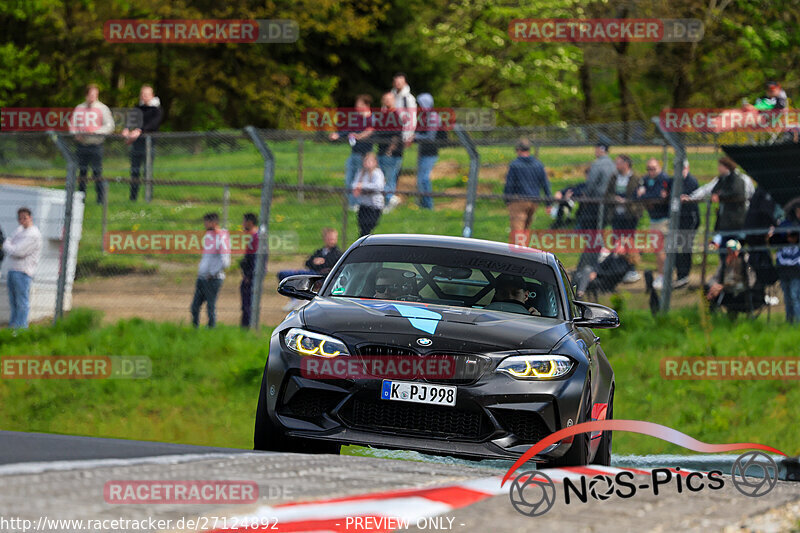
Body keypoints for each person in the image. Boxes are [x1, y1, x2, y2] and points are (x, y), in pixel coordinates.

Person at [570, 143, 616, 288]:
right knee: (597, 234)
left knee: (591, 236)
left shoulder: (598, 164)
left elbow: (590, 184)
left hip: (595, 204)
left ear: (601, 149)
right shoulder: (613, 165)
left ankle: (586, 266)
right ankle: (591, 261)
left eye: (596, 148)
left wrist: (585, 197)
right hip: (607, 204)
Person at [277, 228, 343, 311]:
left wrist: (320, 263)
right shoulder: (319, 251)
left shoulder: (337, 253)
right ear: (324, 239)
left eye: (333, 239)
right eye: (329, 239)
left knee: (302, 277)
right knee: (283, 274)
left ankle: (301, 299)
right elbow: (307, 263)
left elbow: (330, 266)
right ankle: (295, 299)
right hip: (310, 272)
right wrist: (315, 262)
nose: (332, 241)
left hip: (321, 276)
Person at [70, 83, 115, 204]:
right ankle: (81, 199)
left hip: (96, 145)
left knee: (97, 173)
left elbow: (110, 126)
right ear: (86, 95)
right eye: (91, 95)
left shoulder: (102, 108)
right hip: (82, 145)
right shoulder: (79, 108)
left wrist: (95, 131)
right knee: (82, 173)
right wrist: (76, 134)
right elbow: (72, 125)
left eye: (95, 95)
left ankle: (100, 200)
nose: (93, 97)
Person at [330, 94, 374, 209]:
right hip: (354, 153)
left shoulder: (372, 119)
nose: (356, 107)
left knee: (360, 180)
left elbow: (370, 131)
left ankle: (360, 203)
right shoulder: (356, 118)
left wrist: (359, 136)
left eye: (359, 105)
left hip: (364, 155)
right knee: (349, 179)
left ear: (366, 105)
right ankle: (351, 204)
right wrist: (338, 134)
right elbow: (348, 129)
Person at [504, 138, 551, 243]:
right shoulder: (538, 164)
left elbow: (510, 184)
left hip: (519, 201)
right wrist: (548, 203)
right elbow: (545, 184)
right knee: (526, 230)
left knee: (517, 232)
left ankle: (517, 256)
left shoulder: (515, 164)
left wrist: (507, 200)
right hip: (534, 201)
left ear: (519, 150)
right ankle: (525, 253)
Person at [2, 208, 42, 329]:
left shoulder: (33, 234)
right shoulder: (20, 230)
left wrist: (7, 246)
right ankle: (13, 327)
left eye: (25, 217)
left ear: (30, 217)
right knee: (14, 303)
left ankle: (21, 329)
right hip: (13, 270)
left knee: (22, 303)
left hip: (23, 272)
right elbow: (9, 242)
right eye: (20, 218)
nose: (22, 220)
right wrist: (9, 246)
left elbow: (18, 251)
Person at [122, 85, 163, 201]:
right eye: (142, 94)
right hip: (137, 145)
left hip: (149, 145)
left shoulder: (157, 109)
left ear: (152, 95)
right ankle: (133, 198)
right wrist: (126, 129)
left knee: (147, 171)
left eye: (146, 94)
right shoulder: (137, 108)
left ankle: (148, 198)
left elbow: (153, 124)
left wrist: (139, 131)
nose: (144, 97)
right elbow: (131, 120)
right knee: (135, 171)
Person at [190, 213, 230, 328]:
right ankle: (195, 328)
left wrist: (213, 274)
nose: (204, 224)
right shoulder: (208, 236)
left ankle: (211, 328)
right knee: (195, 306)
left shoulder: (221, 237)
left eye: (206, 222)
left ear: (214, 223)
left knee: (210, 306)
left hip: (213, 279)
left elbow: (225, 261)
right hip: (202, 277)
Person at [637, 158, 672, 290]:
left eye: (653, 168)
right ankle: (663, 275)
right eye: (648, 169)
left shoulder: (663, 178)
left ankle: (663, 276)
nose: (650, 171)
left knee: (661, 250)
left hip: (663, 219)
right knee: (658, 250)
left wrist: (646, 195)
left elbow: (657, 195)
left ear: (659, 167)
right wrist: (646, 196)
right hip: (653, 219)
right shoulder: (646, 179)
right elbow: (638, 195)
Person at [610, 154, 642, 283]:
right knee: (617, 242)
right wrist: (615, 199)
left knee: (629, 243)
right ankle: (618, 269)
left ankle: (631, 269)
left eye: (618, 162)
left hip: (630, 216)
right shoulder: (614, 178)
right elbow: (608, 193)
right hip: (617, 215)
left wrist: (627, 202)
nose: (616, 165)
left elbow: (638, 196)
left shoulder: (635, 178)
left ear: (626, 164)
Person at [705, 239, 756, 314]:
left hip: (742, 293)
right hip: (725, 291)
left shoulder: (745, 262)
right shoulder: (724, 262)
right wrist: (714, 285)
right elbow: (715, 278)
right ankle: (709, 318)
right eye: (728, 251)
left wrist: (724, 286)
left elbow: (750, 282)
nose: (730, 253)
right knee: (707, 289)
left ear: (738, 251)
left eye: (733, 250)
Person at [768, 203, 800, 323]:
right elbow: (773, 241)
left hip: (797, 268)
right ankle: (789, 321)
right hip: (783, 266)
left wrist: (796, 238)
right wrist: (786, 238)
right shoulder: (784, 224)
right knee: (787, 297)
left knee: (795, 296)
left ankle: (797, 323)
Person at [413, 93, 444, 209]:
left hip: (430, 152)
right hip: (423, 151)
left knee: (424, 179)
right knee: (420, 179)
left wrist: (415, 137)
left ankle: (428, 205)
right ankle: (423, 204)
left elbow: (430, 137)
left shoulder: (433, 117)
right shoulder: (423, 117)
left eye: (419, 104)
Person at [375, 92, 404, 212]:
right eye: (385, 99)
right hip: (381, 151)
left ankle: (390, 201)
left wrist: (390, 150)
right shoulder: (382, 115)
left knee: (390, 178)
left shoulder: (396, 116)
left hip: (392, 154)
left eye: (389, 99)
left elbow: (396, 136)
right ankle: (385, 201)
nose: (387, 102)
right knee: (382, 179)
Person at [675, 160, 700, 288]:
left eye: (682, 168)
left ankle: (684, 275)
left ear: (687, 168)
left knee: (685, 247)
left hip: (689, 219)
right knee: (675, 247)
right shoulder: (675, 181)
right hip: (677, 220)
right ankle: (679, 274)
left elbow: (694, 197)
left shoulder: (691, 181)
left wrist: (686, 199)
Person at [711, 157, 747, 245]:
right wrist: (716, 194)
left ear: (726, 166)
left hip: (734, 221)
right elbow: (714, 190)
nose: (718, 168)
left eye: (720, 165)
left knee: (733, 247)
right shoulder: (722, 179)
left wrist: (720, 195)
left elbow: (734, 192)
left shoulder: (736, 179)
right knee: (723, 246)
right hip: (724, 221)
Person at [354, 152, 385, 236]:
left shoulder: (377, 173)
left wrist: (362, 186)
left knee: (368, 228)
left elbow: (378, 186)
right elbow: (354, 184)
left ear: (375, 162)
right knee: (362, 228)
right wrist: (358, 187)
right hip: (364, 205)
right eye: (365, 161)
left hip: (374, 207)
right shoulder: (361, 173)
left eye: (370, 161)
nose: (367, 164)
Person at [239, 213, 259, 328]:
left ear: (250, 222)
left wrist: (248, 275)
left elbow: (254, 259)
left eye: (244, 221)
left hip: (252, 276)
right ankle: (247, 327)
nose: (242, 224)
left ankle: (248, 327)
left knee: (248, 303)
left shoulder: (256, 238)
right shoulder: (254, 237)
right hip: (251, 274)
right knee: (247, 303)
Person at [391, 72, 417, 148]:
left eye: (400, 82)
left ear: (405, 83)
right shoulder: (391, 96)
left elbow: (412, 118)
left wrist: (408, 135)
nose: (398, 84)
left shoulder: (409, 98)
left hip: (401, 131)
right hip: (390, 129)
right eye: (396, 82)